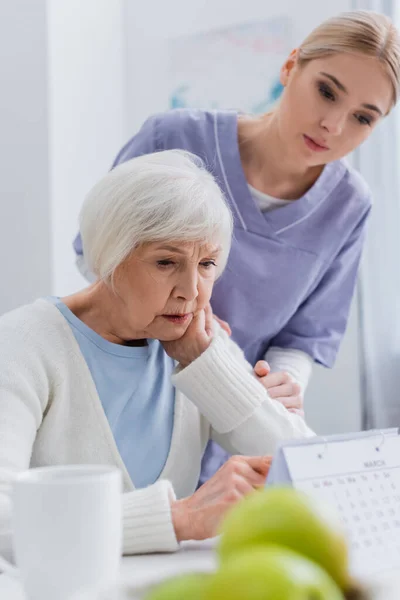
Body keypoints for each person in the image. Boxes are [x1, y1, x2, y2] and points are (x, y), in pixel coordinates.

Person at [73, 10, 400, 485]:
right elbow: (95, 253)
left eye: (363, 118)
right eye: (327, 91)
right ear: (291, 67)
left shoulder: (349, 206)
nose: (333, 124)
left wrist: (284, 382)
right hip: (132, 389)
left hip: (233, 414)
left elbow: (306, 336)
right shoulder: (174, 137)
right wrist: (173, 325)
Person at [0, 151, 313, 557]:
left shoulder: (200, 344)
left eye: (207, 264)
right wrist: (177, 518)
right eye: (166, 262)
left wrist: (213, 370)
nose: (192, 291)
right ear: (108, 257)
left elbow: (310, 475)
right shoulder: (23, 343)